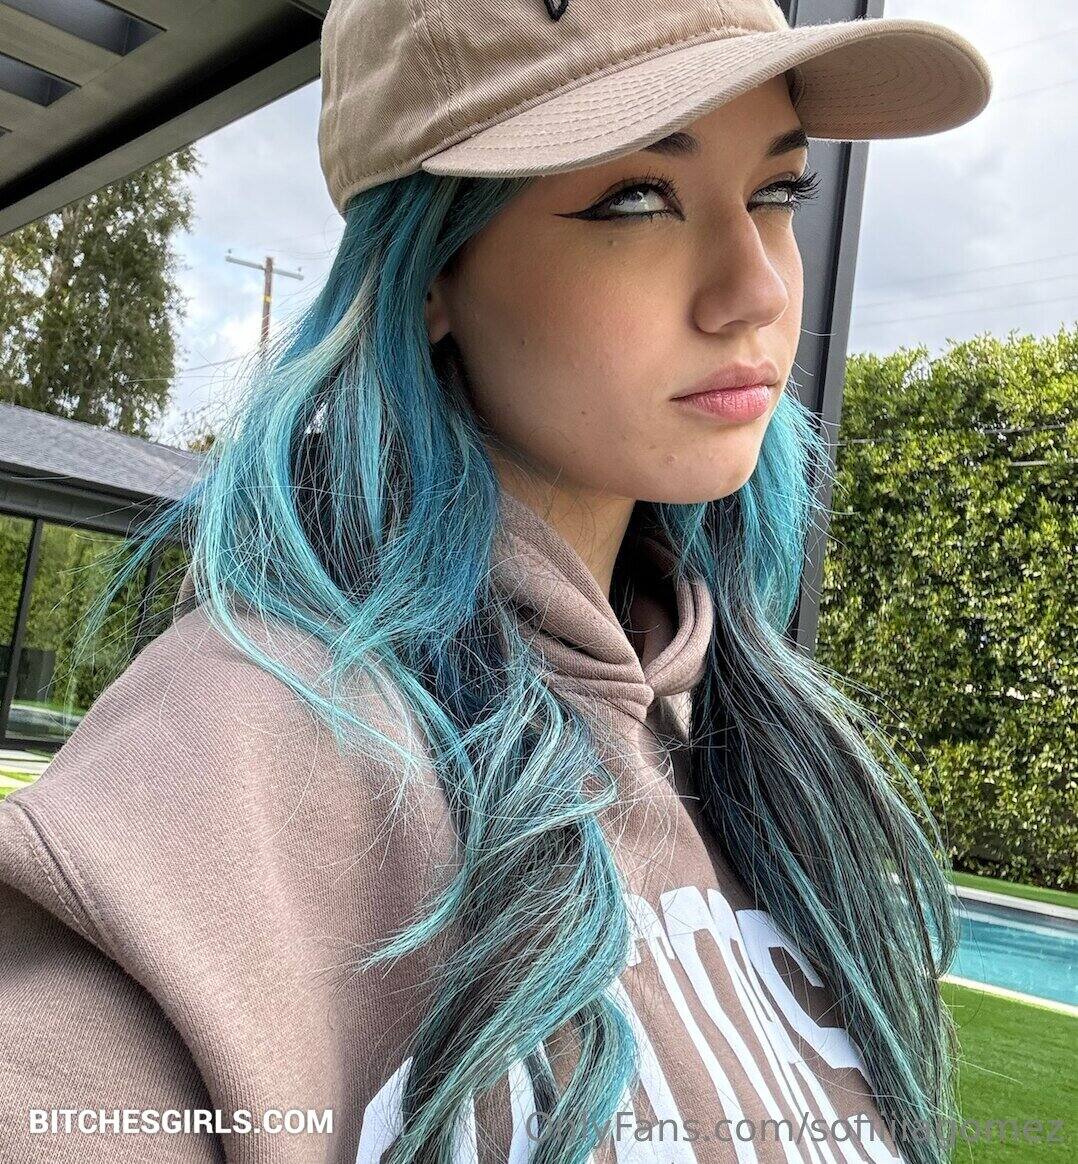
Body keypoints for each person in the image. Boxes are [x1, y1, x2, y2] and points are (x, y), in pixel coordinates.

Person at [0, 1, 993, 1161]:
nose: (758, 289)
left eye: (778, 191)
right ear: (431, 270)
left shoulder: (756, 746)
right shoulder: (227, 758)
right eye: (636, 199)